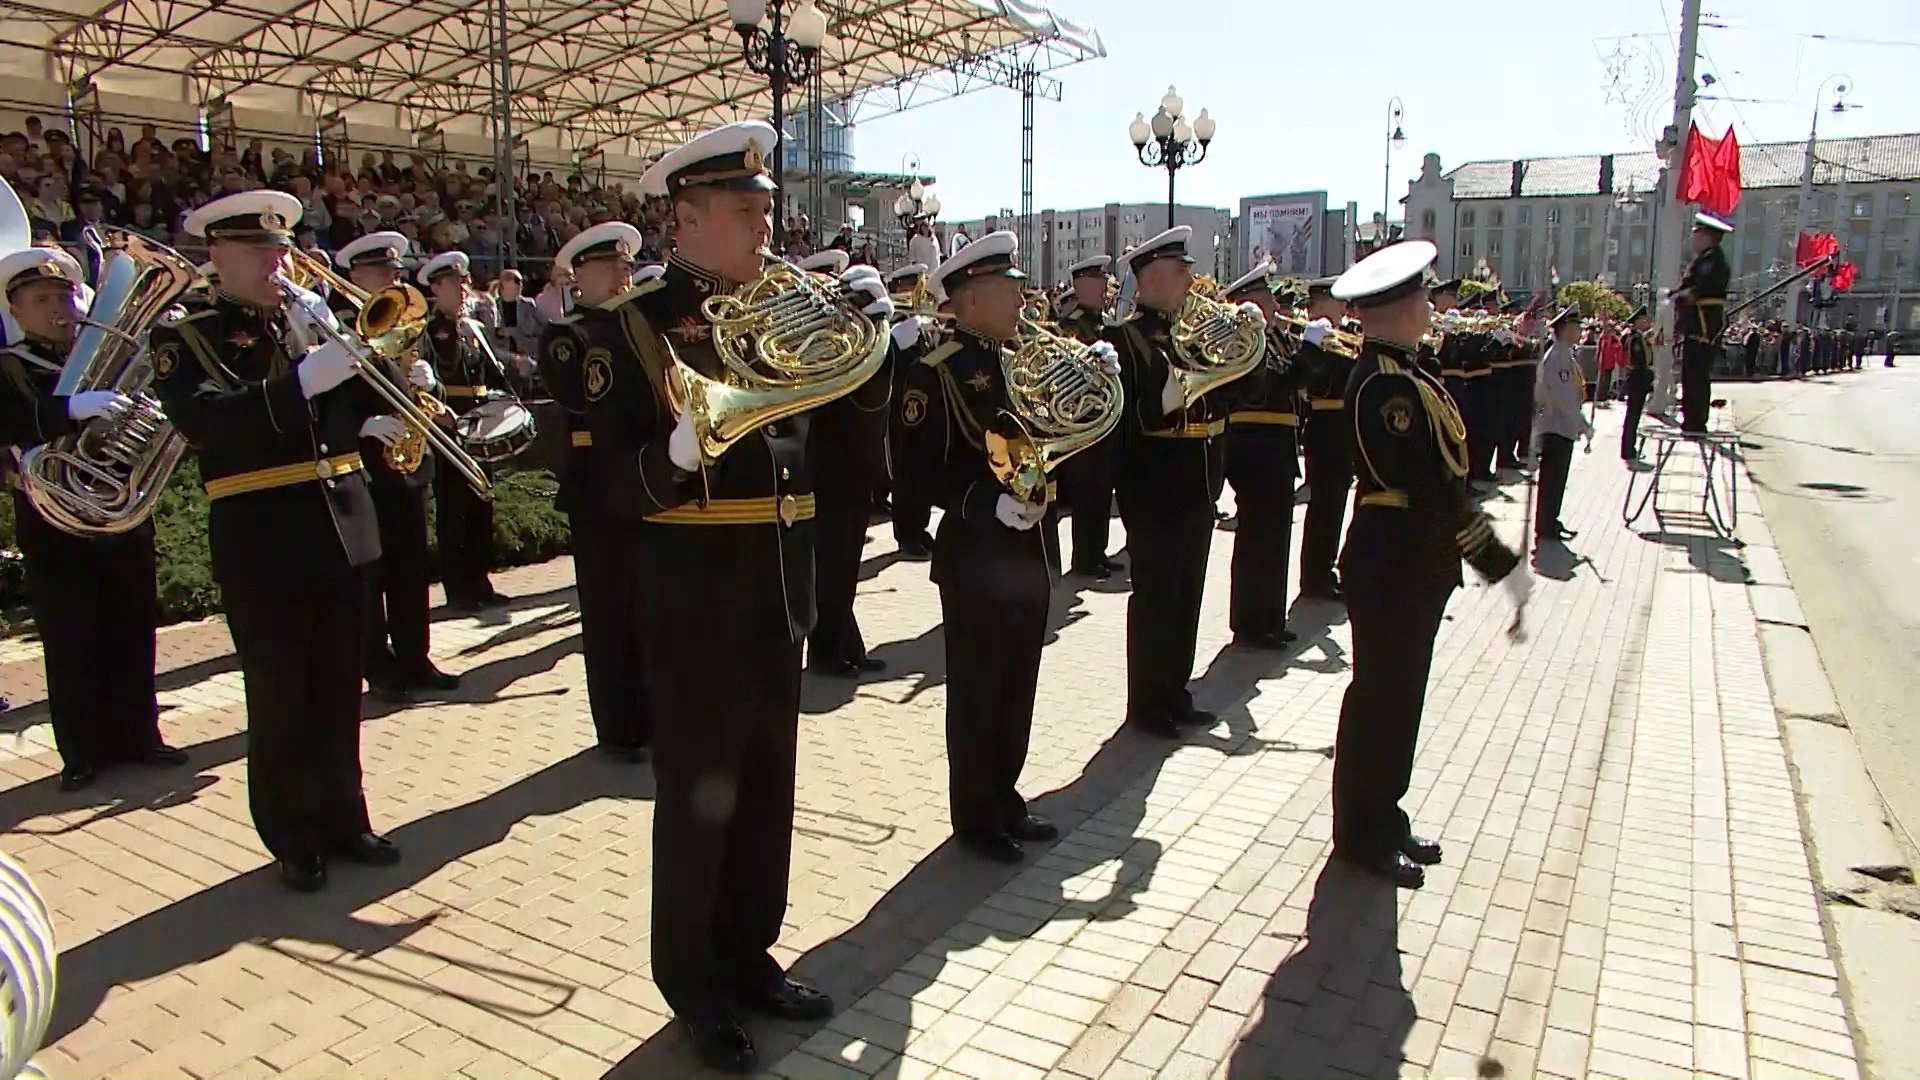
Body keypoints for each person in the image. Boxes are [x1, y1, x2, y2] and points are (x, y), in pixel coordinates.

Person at [599, 120, 885, 1072]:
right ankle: (694, 983)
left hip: (777, 586)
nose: (767, 224)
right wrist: (678, 453)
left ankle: (751, 951)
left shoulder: (780, 307)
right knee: (699, 801)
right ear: (685, 217)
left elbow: (841, 444)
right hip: (693, 597)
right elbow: (606, 489)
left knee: (768, 791)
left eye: (767, 208)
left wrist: (872, 349)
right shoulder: (633, 325)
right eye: (745, 209)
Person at [149, 190, 399, 892]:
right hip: (264, 535)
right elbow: (209, 423)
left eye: (282, 247)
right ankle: (295, 835)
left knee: (336, 689)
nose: (276, 262)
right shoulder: (185, 336)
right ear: (216, 256)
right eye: (258, 250)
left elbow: (342, 414)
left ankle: (346, 819)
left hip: (340, 526)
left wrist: (370, 375)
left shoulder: (304, 321)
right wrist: (302, 383)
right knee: (283, 693)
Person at [897, 232, 1103, 863]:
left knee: (1018, 684)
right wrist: (984, 503)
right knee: (979, 689)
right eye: (1008, 287)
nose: (1021, 296)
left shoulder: (1024, 361)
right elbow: (912, 471)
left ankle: (1005, 795)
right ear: (973, 296)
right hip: (977, 555)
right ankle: (976, 815)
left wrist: (1092, 379)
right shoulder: (935, 373)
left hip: (1032, 549)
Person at [1328, 240, 1522, 889]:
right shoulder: (1385, 385)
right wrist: (1493, 557)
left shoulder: (1409, 373)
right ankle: (1360, 832)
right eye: (1423, 297)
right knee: (1380, 699)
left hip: (1414, 561)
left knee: (1401, 697)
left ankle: (1385, 813)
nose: (1431, 307)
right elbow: (1428, 485)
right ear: (1400, 306)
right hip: (1393, 560)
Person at [0, 246, 185, 791]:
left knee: (131, 624)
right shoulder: (8, 365)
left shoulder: (115, 357)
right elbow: (7, 421)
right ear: (16, 310)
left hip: (120, 512)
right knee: (71, 631)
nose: (59, 308)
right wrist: (67, 411)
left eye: (64, 295)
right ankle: (82, 751)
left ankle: (139, 736)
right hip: (53, 518)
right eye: (42, 299)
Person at [1106, 225, 1260, 737]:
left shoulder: (1194, 326)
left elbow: (1245, 391)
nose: (1192, 280)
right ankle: (1147, 704)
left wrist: (1254, 341)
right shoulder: (1125, 339)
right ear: (1152, 278)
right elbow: (1129, 416)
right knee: (1155, 597)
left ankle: (1175, 691)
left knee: (1187, 594)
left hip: (1200, 481)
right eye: (1182, 271)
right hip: (1153, 486)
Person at [539, 222, 654, 764]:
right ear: (579, 275)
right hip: (597, 481)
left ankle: (651, 714)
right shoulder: (570, 335)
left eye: (627, 267)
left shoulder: (639, 327)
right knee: (609, 611)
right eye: (611, 267)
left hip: (644, 477)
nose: (623, 275)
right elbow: (581, 399)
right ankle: (619, 726)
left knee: (646, 606)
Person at [331, 231, 459, 700]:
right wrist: (361, 425)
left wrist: (433, 387)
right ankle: (379, 667)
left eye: (393, 269)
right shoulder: (338, 328)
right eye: (380, 271)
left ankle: (415, 658)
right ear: (354, 275)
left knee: (411, 570)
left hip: (407, 463)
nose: (391, 277)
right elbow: (325, 396)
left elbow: (422, 393)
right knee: (372, 575)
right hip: (363, 465)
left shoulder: (403, 321)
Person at [796, 247, 901, 678]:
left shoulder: (871, 345)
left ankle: (845, 643)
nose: (879, 327)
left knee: (844, 567)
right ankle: (825, 652)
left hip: (854, 470)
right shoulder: (832, 348)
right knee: (833, 566)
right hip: (831, 471)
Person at [417, 250, 508, 609]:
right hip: (449, 423)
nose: (463, 288)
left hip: (479, 424)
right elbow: (426, 379)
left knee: (481, 505)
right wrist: (442, 416)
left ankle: (480, 581)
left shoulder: (473, 330)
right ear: (436, 287)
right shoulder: (428, 330)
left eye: (464, 281)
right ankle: (458, 588)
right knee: (454, 509)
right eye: (454, 283)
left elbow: (488, 376)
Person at [1219, 261, 1301, 650]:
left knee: (1275, 536)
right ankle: (1250, 622)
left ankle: (1271, 616)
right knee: (1257, 536)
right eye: (1265, 296)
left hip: (1278, 445)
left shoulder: (1278, 337)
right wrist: (1308, 360)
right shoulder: (1242, 339)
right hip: (1254, 444)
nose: (1273, 302)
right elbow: (1266, 387)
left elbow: (1303, 384)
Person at [1052, 254, 1123, 579]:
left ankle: (1098, 552)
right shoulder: (1068, 326)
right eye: (1099, 283)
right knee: (1086, 492)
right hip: (1082, 423)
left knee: (1102, 491)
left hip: (1107, 420)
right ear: (1082, 285)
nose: (1105, 289)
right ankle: (1084, 558)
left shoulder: (1108, 324)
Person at [1294, 274, 1353, 601]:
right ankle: (1314, 576)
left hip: (1343, 429)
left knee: (1335, 506)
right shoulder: (1310, 338)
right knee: (1324, 508)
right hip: (1325, 427)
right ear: (1320, 303)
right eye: (1338, 300)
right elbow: (1313, 383)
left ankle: (1326, 569)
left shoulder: (1345, 335)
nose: (1344, 307)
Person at [885, 262, 937, 560]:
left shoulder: (917, 325)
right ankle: (906, 534)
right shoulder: (893, 326)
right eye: (912, 286)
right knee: (906, 473)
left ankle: (919, 527)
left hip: (921, 405)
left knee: (922, 471)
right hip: (900, 407)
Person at [1533, 306, 1591, 547]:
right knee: (1552, 479)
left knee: (1556, 479)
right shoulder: (1558, 357)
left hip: (1561, 425)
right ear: (1564, 329)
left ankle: (1550, 521)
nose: (1579, 332)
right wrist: (1583, 425)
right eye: (1576, 328)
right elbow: (1563, 397)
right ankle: (1546, 525)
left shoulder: (1564, 354)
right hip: (1556, 425)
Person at [1672, 212, 1732, 435]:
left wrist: (1679, 296)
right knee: (1692, 372)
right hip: (1698, 321)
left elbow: (1699, 289)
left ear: (1707, 236)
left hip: (1703, 322)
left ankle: (1695, 421)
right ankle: (1692, 418)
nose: (1692, 239)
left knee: (1696, 373)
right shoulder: (1707, 259)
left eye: (1695, 234)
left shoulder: (1711, 261)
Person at [1620, 305, 1654, 461]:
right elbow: (1639, 361)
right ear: (1638, 321)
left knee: (1634, 416)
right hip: (1636, 379)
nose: (1647, 321)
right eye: (1644, 319)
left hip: (1636, 379)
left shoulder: (1638, 336)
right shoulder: (1635, 338)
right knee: (1632, 417)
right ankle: (1628, 450)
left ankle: (1629, 448)